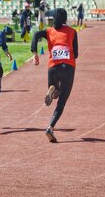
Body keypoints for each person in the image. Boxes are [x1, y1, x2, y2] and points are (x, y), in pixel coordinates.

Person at [31, 8, 78, 143]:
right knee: (61, 101)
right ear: (65, 18)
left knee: (55, 90)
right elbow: (77, 53)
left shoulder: (48, 31)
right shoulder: (73, 32)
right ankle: (50, 128)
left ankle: (52, 88)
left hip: (53, 67)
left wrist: (35, 53)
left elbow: (35, 35)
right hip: (68, 67)